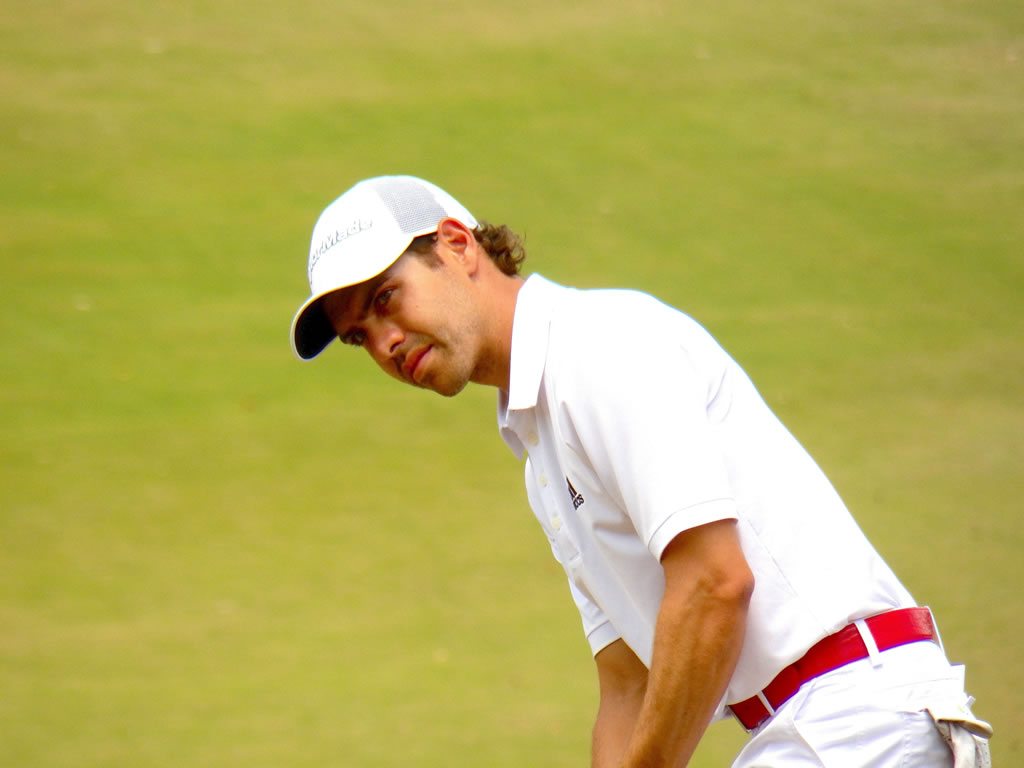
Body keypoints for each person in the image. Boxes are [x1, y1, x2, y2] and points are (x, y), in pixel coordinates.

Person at [290, 175, 992, 767]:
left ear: (456, 245)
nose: (383, 342)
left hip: (856, 717)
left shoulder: (598, 347)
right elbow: (627, 684)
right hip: (818, 730)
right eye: (359, 336)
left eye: (386, 298)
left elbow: (715, 584)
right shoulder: (541, 456)